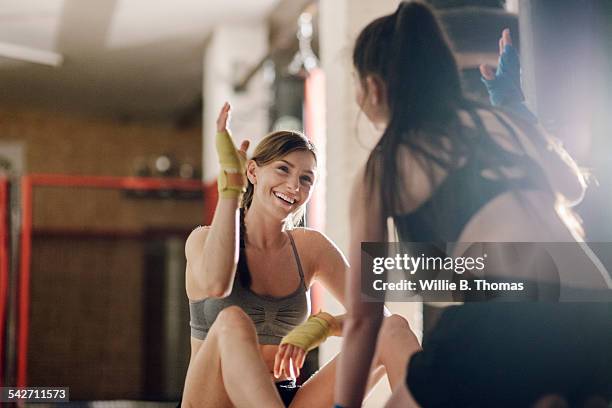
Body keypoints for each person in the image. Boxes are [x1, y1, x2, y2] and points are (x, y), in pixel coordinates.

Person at [334, 2, 612, 407]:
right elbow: (572, 188)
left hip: (512, 318)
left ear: (374, 89)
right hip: (597, 307)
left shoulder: (386, 164)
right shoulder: (501, 119)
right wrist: (514, 106)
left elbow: (364, 318)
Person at [179, 102, 420, 408]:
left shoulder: (310, 248)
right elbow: (217, 284)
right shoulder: (202, 240)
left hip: (285, 398)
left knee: (393, 327)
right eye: (283, 169)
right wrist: (230, 187)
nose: (294, 185)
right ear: (252, 172)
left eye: (306, 179)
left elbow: (374, 317)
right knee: (231, 321)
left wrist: (323, 326)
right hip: (213, 399)